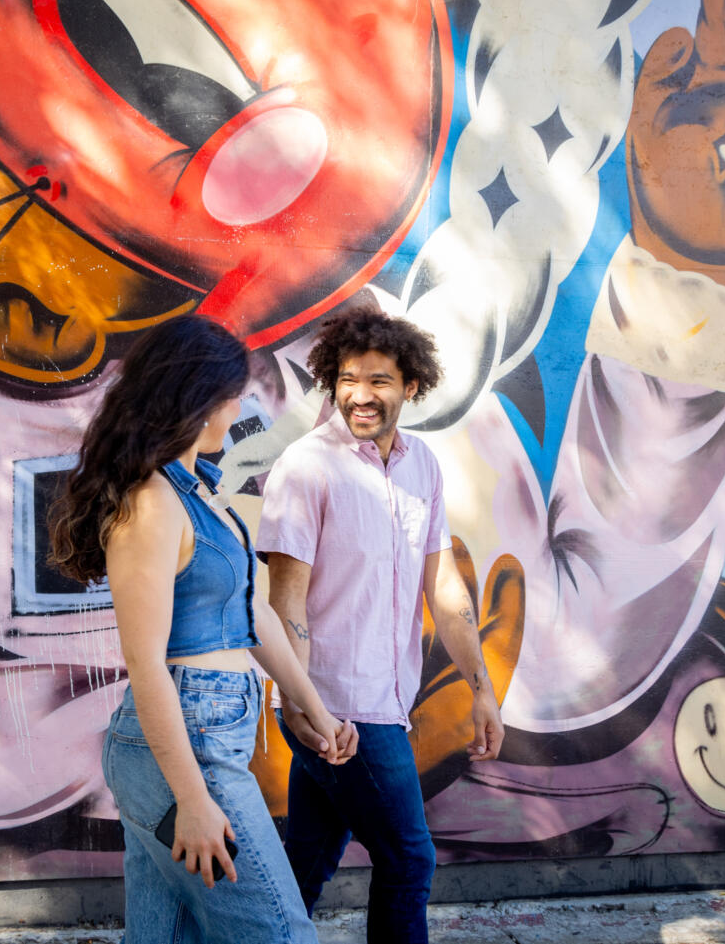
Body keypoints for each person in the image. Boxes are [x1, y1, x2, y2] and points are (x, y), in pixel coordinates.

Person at [48, 316, 358, 943]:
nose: (240, 409)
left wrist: (315, 710)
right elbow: (147, 663)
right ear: (201, 398)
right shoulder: (152, 503)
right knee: (281, 934)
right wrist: (191, 798)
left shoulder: (195, 495)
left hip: (205, 735)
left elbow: (254, 614)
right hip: (188, 747)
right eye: (234, 395)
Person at [258, 305, 505, 944]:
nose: (360, 395)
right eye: (347, 379)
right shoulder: (307, 467)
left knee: (306, 863)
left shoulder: (422, 465)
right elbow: (285, 603)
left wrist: (481, 689)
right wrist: (300, 708)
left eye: (378, 381)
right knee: (409, 858)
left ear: (410, 386)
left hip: (385, 703)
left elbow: (443, 587)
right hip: (340, 709)